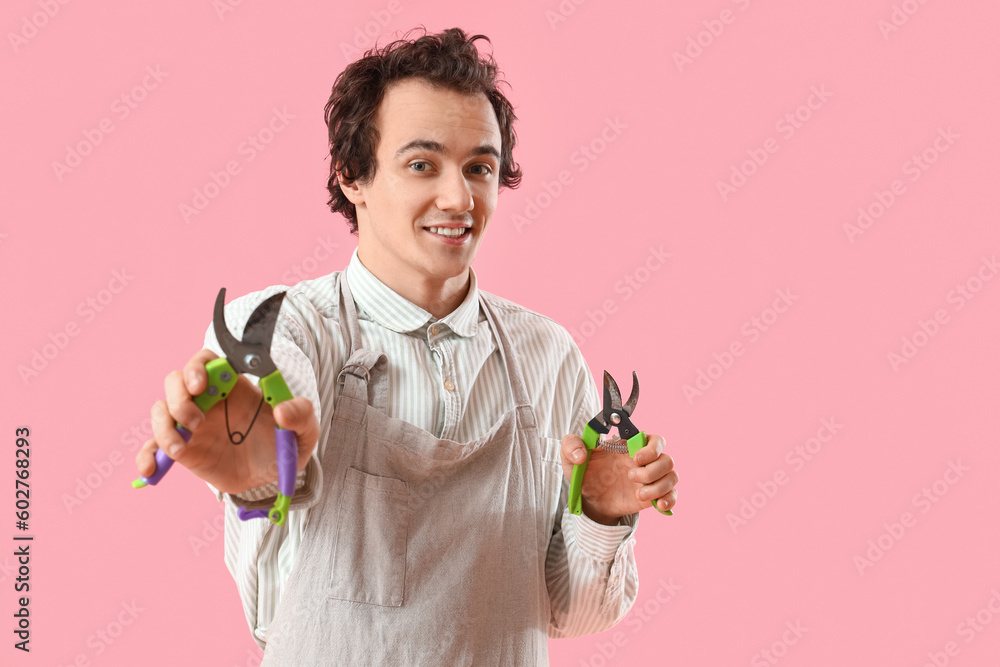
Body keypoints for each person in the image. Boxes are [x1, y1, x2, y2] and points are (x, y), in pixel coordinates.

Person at [135, 27, 678, 665]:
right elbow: (272, 406)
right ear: (353, 177)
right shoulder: (291, 323)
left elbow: (569, 614)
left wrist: (600, 515)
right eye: (422, 164)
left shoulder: (547, 355)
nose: (459, 198)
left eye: (480, 167)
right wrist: (261, 469)